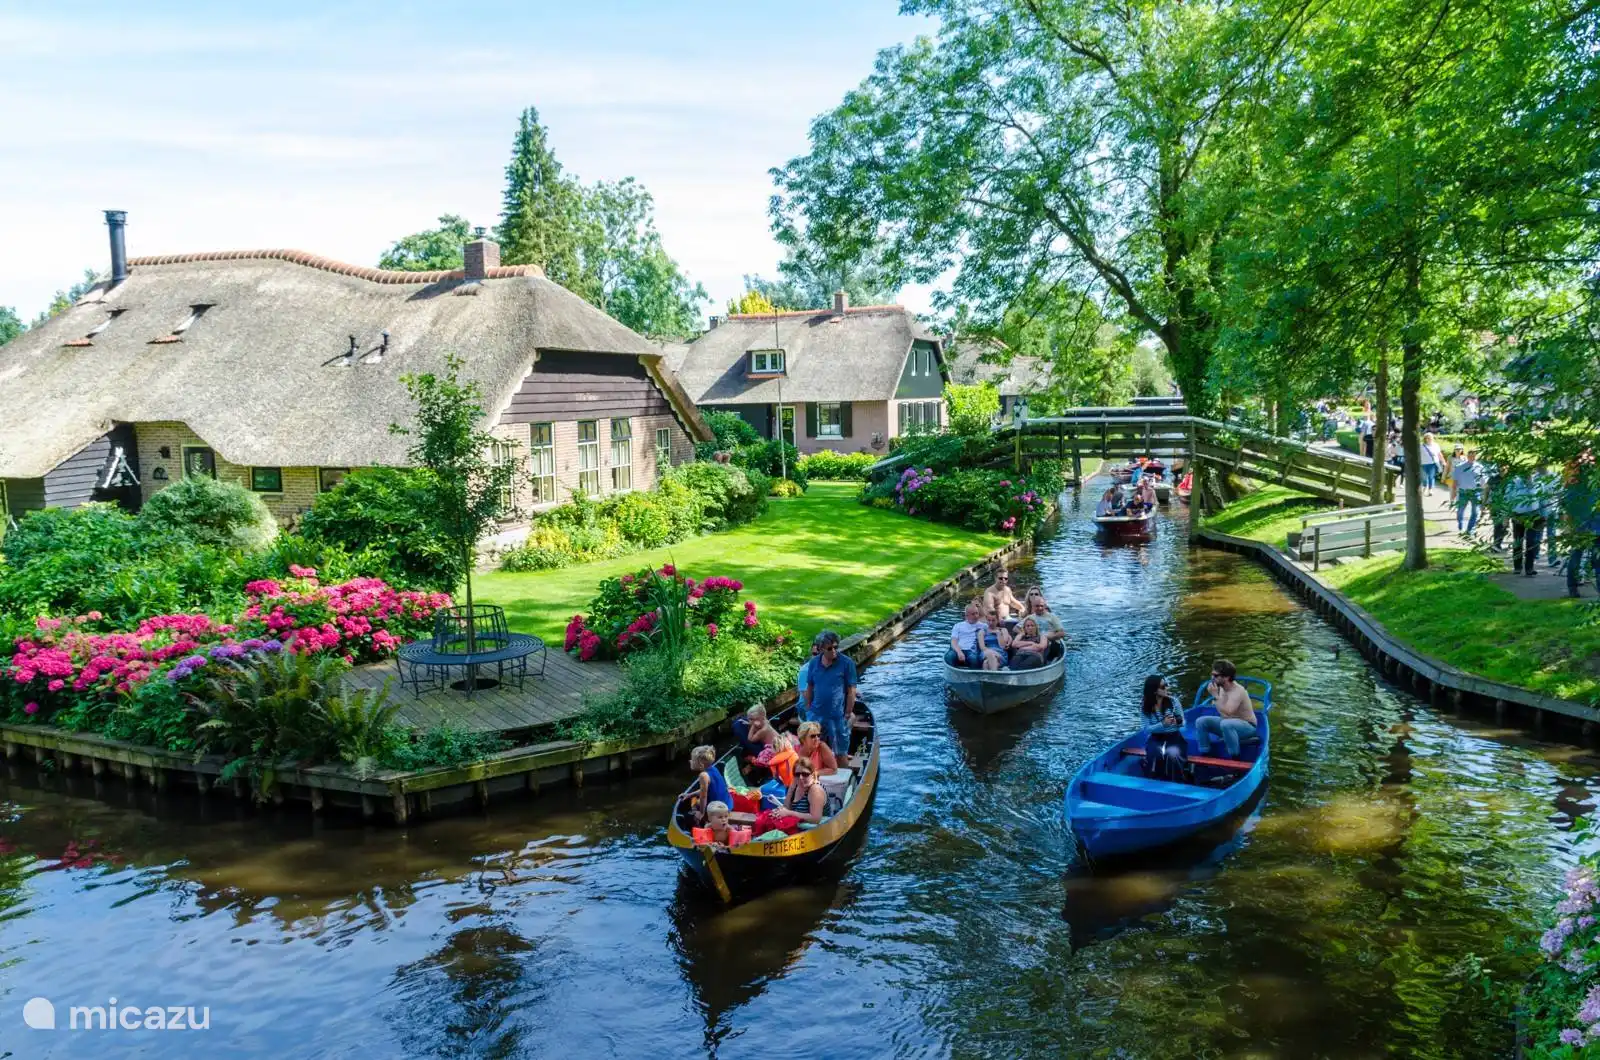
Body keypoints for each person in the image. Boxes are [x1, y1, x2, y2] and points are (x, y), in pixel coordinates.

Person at [802, 629, 858, 757]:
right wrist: (809, 708)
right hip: (816, 715)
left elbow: (851, 690)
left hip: (837, 716)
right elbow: (810, 686)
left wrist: (848, 712)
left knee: (840, 752)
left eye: (836, 647)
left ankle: (843, 775)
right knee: (812, 750)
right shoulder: (813, 663)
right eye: (829, 648)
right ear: (821, 649)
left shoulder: (847, 663)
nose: (834, 650)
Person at [1195, 659, 1258, 759]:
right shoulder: (1222, 688)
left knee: (1226, 724)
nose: (1212, 678)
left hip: (1248, 727)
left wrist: (1215, 696)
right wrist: (1218, 698)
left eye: (1216, 676)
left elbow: (1228, 712)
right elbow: (1223, 713)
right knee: (1200, 721)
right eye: (1212, 674)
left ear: (1227, 677)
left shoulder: (1238, 691)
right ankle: (1205, 754)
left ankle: (1235, 758)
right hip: (1229, 724)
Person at [754, 759, 826, 836]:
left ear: (812, 774)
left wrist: (788, 813)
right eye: (797, 774)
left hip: (813, 833)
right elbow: (786, 807)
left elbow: (816, 819)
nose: (801, 777)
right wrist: (791, 789)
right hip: (798, 831)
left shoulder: (815, 789)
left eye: (805, 774)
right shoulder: (797, 786)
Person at [1140, 675, 1188, 781]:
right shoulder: (1145, 706)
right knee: (1155, 753)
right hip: (1156, 738)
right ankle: (1153, 778)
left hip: (1174, 738)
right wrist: (1163, 724)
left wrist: (1177, 721)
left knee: (1172, 754)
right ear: (1154, 690)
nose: (1167, 688)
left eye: (1166, 685)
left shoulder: (1173, 702)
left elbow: (1183, 722)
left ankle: (1176, 781)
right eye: (1163, 687)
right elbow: (1146, 729)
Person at [1564, 458, 1600, 599]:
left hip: (1579, 525)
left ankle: (1572, 587)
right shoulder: (1595, 485)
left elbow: (1567, 508)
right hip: (1595, 525)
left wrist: (1568, 525)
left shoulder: (1572, 485)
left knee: (1576, 556)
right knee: (1596, 558)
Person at [1507, 471, 1550, 576]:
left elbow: (1543, 500)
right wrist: (1508, 515)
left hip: (1534, 516)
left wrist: (1545, 516)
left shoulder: (1539, 484)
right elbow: (1508, 499)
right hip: (1518, 515)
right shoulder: (1514, 483)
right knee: (1518, 541)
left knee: (1532, 542)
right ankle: (1517, 567)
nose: (1528, 475)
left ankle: (1529, 568)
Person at [688, 745, 732, 824]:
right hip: (728, 803)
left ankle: (702, 822)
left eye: (693, 760)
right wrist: (689, 794)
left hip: (719, 810)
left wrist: (701, 813)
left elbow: (703, 796)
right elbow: (706, 790)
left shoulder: (703, 776)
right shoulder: (714, 768)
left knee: (694, 804)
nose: (690, 761)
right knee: (694, 798)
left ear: (701, 765)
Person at [1450, 446, 1486, 536]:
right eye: (1470, 456)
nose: (1472, 457)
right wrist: (1453, 493)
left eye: (1474, 456)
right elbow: (1454, 481)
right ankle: (1460, 524)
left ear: (1476, 457)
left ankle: (1470, 530)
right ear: (1467, 456)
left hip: (1475, 492)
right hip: (1463, 492)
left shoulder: (1480, 467)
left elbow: (1483, 482)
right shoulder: (1459, 467)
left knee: (1475, 512)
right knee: (1460, 511)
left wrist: (1484, 495)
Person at [949, 601, 989, 669]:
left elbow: (993, 625)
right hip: (959, 649)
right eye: (973, 614)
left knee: (973, 659)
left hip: (972, 650)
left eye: (977, 613)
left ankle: (975, 677)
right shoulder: (958, 625)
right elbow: (953, 641)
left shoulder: (983, 626)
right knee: (949, 656)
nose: (976, 616)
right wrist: (959, 652)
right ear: (967, 616)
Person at [796, 637, 822, 718]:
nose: (815, 657)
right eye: (814, 654)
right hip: (807, 706)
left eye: (818, 654)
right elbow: (807, 698)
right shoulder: (805, 671)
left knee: (851, 717)